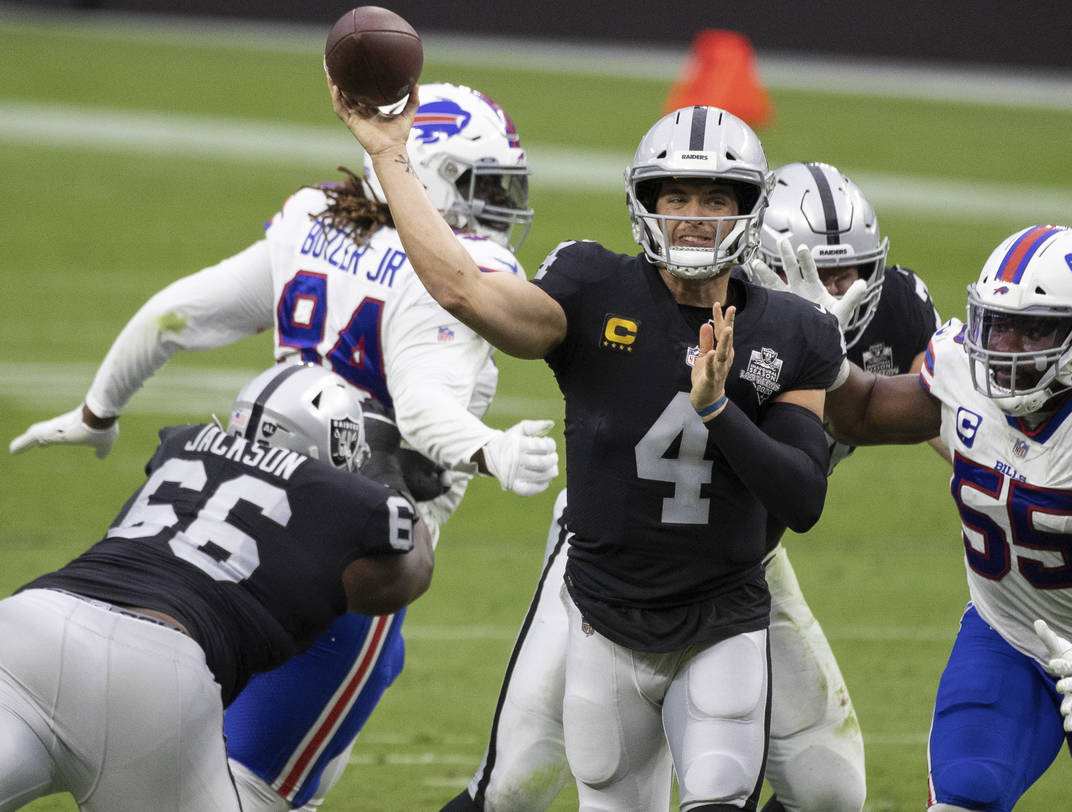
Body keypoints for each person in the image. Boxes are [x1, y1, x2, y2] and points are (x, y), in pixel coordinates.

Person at [8, 82, 558, 811]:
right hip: (352, 556)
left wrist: (98, 408)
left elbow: (176, 314)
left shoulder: (311, 219)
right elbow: (423, 411)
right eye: (483, 186)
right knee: (250, 790)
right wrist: (491, 450)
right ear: (426, 172)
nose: (499, 208)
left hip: (226, 529)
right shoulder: (453, 276)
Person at [334, 79, 847, 809]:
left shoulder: (794, 330)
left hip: (722, 624)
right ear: (647, 202)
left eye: (715, 200)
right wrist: (389, 156)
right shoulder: (591, 288)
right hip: (604, 624)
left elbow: (803, 498)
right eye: (676, 197)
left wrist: (719, 409)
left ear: (748, 208)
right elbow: (462, 291)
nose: (695, 219)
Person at [439, 161, 944, 812]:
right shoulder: (712, 303)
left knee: (829, 788)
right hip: (614, 560)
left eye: (857, 270)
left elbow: (953, 432)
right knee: (518, 782)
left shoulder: (889, 312)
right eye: (826, 271)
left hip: (737, 570)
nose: (847, 289)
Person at [819, 224, 1072, 810]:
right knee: (963, 798)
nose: (1007, 345)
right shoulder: (961, 379)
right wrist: (822, 344)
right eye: (996, 323)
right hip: (1006, 639)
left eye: (1035, 328)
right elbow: (861, 413)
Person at [0, 362, 433, 811]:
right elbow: (411, 572)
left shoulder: (181, 445)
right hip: (146, 671)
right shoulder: (329, 491)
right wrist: (386, 469)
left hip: (27, 626)